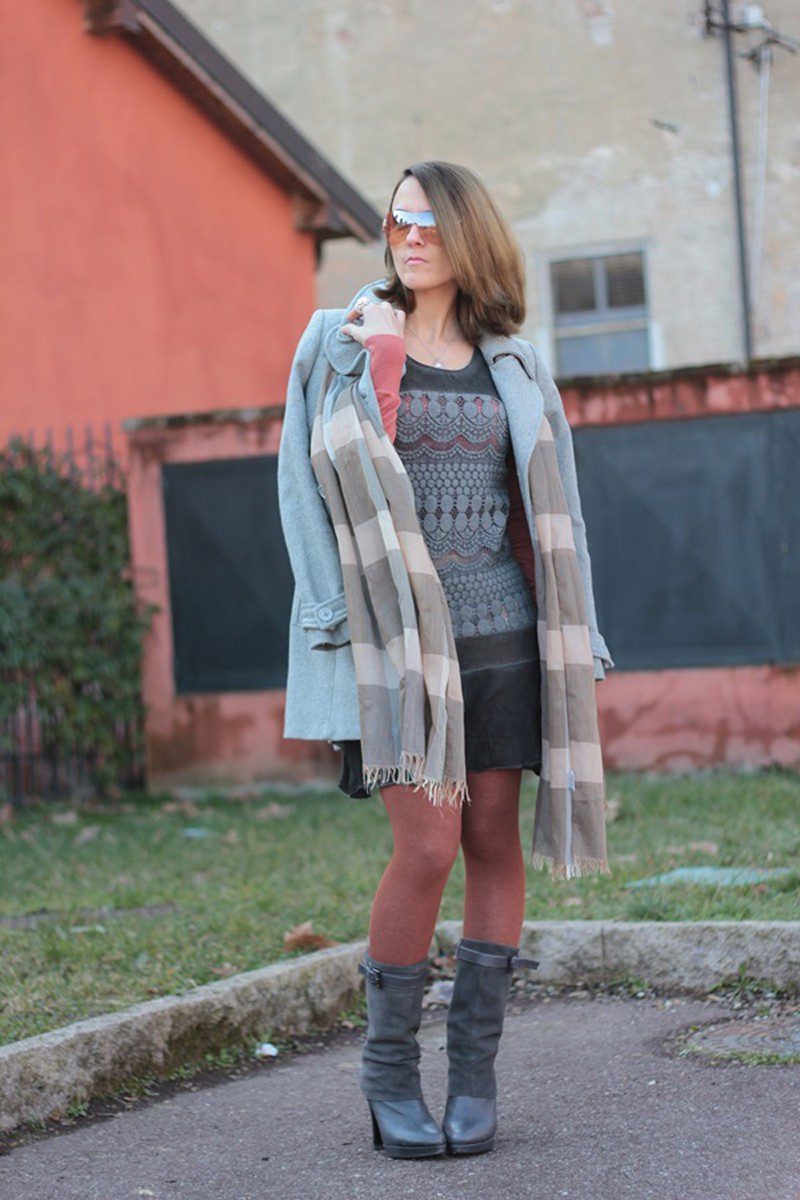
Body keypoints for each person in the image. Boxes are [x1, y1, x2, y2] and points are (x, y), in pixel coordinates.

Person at [277, 160, 614, 1160]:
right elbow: (300, 489)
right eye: (396, 220)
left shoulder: (514, 361)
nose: (408, 235)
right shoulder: (336, 345)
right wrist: (330, 618)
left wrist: (579, 629)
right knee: (424, 847)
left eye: (428, 221)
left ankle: (473, 1072)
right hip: (395, 642)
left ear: (468, 235)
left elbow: (555, 510)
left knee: (493, 843)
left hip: (506, 631)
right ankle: (388, 1077)